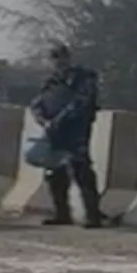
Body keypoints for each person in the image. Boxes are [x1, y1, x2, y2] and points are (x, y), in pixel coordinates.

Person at [28, 43, 103, 228]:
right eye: (54, 57)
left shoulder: (83, 78)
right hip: (54, 132)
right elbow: (37, 103)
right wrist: (42, 118)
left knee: (82, 170)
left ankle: (93, 216)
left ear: (68, 58)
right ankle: (62, 213)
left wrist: (60, 119)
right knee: (55, 172)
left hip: (76, 130)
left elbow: (83, 102)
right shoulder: (51, 82)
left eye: (61, 57)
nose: (58, 61)